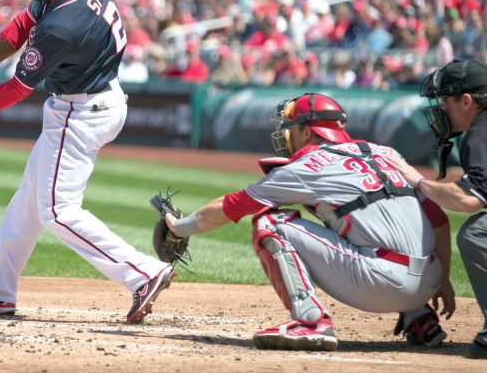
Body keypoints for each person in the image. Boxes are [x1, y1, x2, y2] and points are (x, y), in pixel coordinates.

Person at [0, 0, 174, 324]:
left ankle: (144, 272)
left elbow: (16, 89)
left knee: (58, 212)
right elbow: (19, 25)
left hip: (81, 112)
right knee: (28, 200)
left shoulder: (62, 26)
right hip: (93, 99)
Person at [161, 93, 454, 351]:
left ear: (305, 130)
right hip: (429, 280)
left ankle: (310, 322)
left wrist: (179, 226)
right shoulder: (386, 152)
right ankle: (420, 318)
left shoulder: (309, 165)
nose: (285, 134)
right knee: (362, 220)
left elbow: (232, 206)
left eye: (289, 128)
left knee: (270, 223)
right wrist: (442, 280)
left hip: (381, 285)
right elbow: (439, 220)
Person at [386, 59, 487, 359]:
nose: (442, 107)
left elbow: (469, 200)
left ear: (466, 100)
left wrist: (418, 181)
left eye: (446, 99)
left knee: (476, 233)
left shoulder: (480, 131)